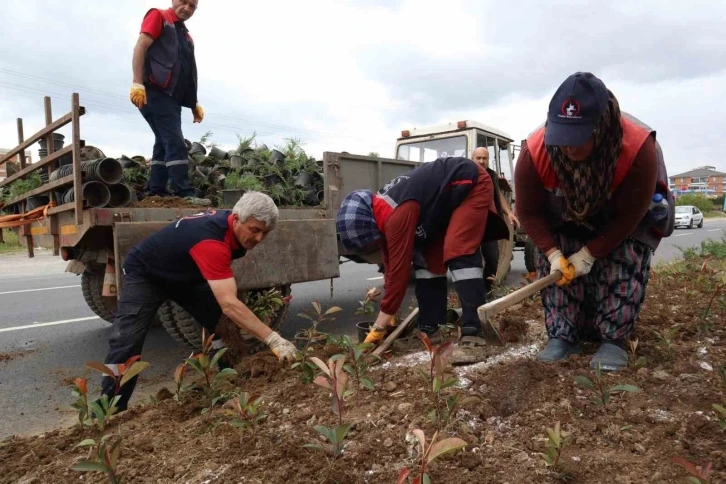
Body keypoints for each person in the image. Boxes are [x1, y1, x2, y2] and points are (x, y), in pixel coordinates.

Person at [515, 72, 674, 371]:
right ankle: (564, 334)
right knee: (560, 272)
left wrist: (589, 254)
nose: (568, 148)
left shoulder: (639, 149)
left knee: (622, 261)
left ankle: (614, 338)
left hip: (621, 220)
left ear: (601, 129)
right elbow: (529, 212)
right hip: (563, 217)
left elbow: (631, 215)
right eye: (562, 138)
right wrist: (552, 254)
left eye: (578, 139)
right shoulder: (534, 153)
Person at [100, 192, 298, 410]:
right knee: (127, 340)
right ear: (237, 218)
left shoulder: (230, 225)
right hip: (147, 274)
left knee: (223, 326)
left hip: (186, 274)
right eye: (255, 230)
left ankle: (229, 384)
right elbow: (230, 304)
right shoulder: (212, 241)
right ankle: (111, 410)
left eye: (265, 233)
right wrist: (273, 339)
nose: (259, 238)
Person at [336, 157, 508, 361]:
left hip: (470, 182)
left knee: (458, 249)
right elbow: (391, 267)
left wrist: (379, 327)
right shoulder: (380, 213)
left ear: (369, 228)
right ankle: (430, 328)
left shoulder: (396, 215)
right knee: (426, 262)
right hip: (443, 203)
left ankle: (474, 332)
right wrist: (389, 315)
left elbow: (400, 274)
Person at [129, 0, 210, 206]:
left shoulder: (187, 37)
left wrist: (193, 103)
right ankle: (183, 191)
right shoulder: (159, 17)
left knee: (163, 141)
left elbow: (188, 72)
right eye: (184, 2)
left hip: (172, 98)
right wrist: (137, 83)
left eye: (192, 6)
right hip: (154, 92)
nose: (187, 9)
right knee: (174, 140)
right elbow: (141, 46)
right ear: (174, 0)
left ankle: (156, 189)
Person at [471, 147, 519, 293]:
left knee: (492, 258)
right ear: (472, 158)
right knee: (473, 260)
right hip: (472, 224)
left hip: (489, 224)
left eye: (484, 158)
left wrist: (509, 213)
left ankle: (487, 291)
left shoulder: (492, 175)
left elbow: (498, 195)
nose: (481, 161)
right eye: (478, 158)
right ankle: (474, 293)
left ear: (488, 159)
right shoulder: (466, 174)